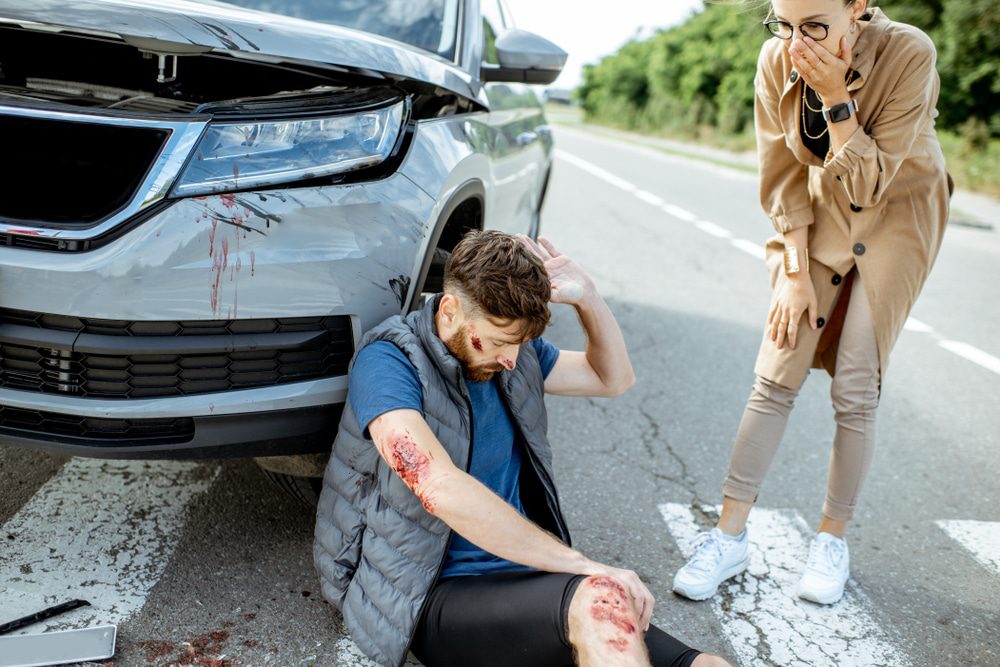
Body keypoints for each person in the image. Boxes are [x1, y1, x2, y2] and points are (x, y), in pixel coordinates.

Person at [315, 230, 731, 667]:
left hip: (523, 578)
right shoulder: (389, 361)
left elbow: (613, 378)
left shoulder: (513, 353)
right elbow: (436, 484)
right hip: (429, 592)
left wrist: (587, 296)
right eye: (497, 342)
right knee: (600, 601)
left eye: (519, 343)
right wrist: (583, 565)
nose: (511, 360)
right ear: (451, 310)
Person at [672, 0, 950, 605]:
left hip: (900, 213)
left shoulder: (909, 53)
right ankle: (728, 537)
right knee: (777, 368)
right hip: (817, 216)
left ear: (858, 8)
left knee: (855, 382)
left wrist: (835, 97)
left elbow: (872, 179)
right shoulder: (776, 60)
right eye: (785, 25)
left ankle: (831, 540)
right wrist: (794, 271)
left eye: (815, 26)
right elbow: (781, 176)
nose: (799, 42)